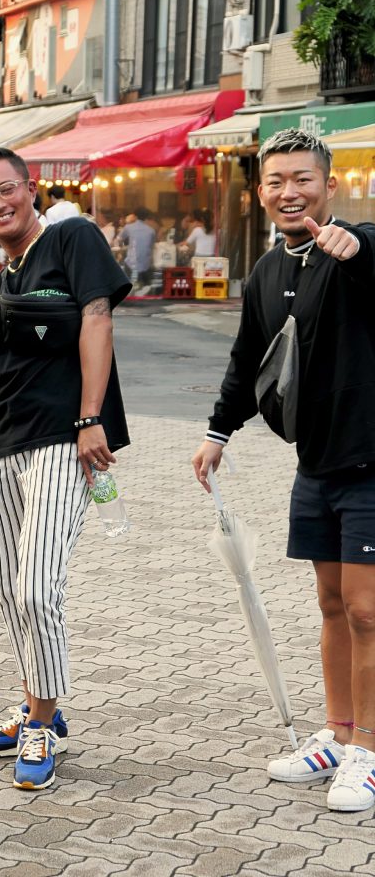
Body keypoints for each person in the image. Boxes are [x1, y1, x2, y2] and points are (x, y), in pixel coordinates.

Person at [192, 128, 375, 813]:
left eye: (303, 179)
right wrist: (218, 431)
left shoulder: (353, 247)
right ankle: (339, 733)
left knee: (367, 610)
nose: (289, 192)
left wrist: (356, 246)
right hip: (316, 466)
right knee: (331, 605)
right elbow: (247, 359)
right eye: (276, 181)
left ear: (329, 185)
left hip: (370, 463)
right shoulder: (267, 271)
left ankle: (368, 752)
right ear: (261, 192)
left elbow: (368, 253)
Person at [0, 146, 130, 793]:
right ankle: (34, 704)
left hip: (63, 437)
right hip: (2, 439)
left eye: (6, 189)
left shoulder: (71, 237)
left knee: (37, 589)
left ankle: (43, 726)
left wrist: (90, 417)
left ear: (30, 188)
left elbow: (98, 320)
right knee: (9, 590)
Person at [118, 206, 157, 290]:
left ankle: (127, 287)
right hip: (146, 266)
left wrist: (122, 247)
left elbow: (119, 239)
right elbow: (151, 247)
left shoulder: (128, 227)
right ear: (146, 217)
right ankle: (146, 288)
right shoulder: (151, 231)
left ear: (135, 216)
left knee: (124, 263)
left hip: (131, 264)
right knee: (146, 283)